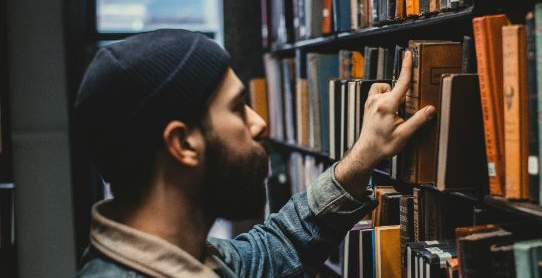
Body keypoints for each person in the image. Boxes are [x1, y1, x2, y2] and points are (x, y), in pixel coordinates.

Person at [73, 30, 435, 277]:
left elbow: (280, 246)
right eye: (237, 108)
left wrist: (360, 158)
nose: (259, 123)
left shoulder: (193, 257)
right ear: (182, 144)